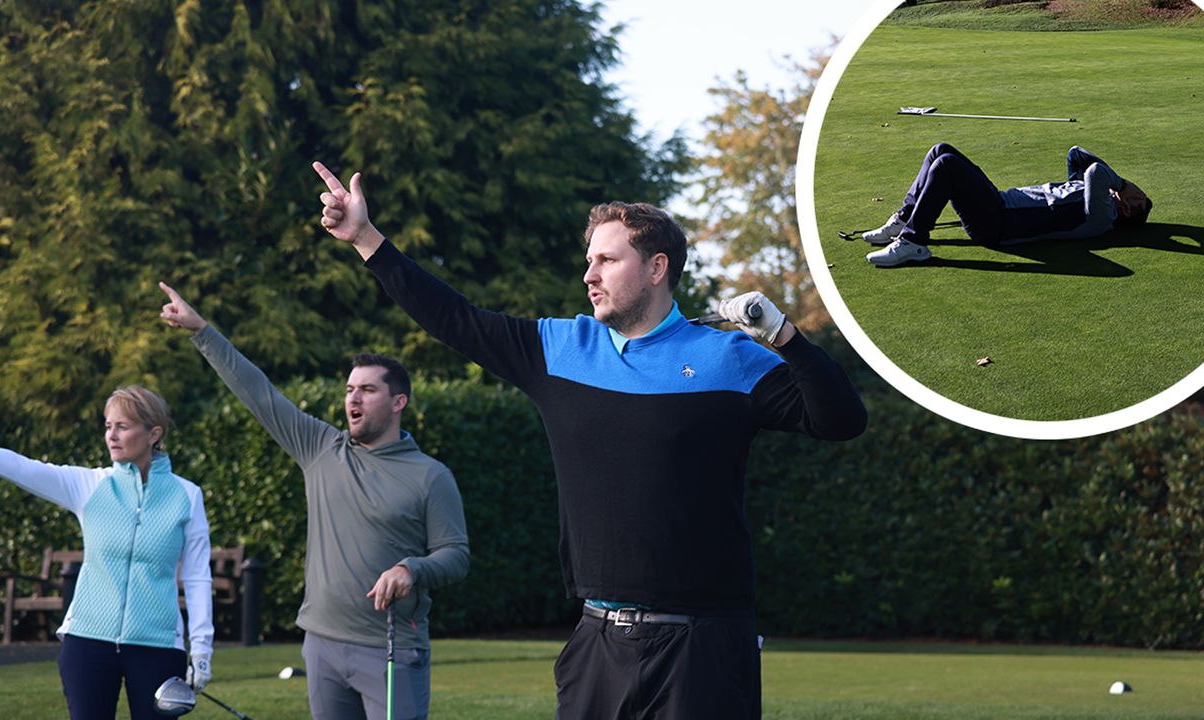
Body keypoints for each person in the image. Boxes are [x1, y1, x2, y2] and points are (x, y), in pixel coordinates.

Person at [311, 162, 868, 719]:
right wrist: (364, 237)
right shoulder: (560, 349)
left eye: (606, 260)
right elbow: (454, 317)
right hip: (597, 643)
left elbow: (840, 419)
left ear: (656, 267)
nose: (589, 274)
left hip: (706, 648)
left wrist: (784, 337)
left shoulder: (729, 358)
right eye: (589, 261)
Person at [158, 283, 469, 720]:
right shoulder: (320, 447)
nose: (352, 398)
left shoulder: (431, 476)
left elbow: (456, 556)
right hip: (321, 643)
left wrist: (410, 569)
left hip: (392, 649)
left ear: (398, 402)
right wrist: (201, 331)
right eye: (349, 389)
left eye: (367, 390)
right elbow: (259, 393)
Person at [0, 387, 213, 720]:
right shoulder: (90, 485)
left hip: (158, 647)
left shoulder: (187, 496)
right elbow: (21, 468)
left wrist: (202, 649)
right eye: (108, 426)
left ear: (154, 434)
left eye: (123, 426)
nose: (112, 436)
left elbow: (196, 577)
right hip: (88, 643)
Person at [863, 143, 1153, 267]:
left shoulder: (1102, 217)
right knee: (940, 150)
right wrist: (1123, 187)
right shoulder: (1091, 190)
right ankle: (905, 219)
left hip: (998, 225)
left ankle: (914, 243)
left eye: (1136, 199)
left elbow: (1095, 172)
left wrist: (1124, 186)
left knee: (946, 166)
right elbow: (1077, 155)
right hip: (997, 202)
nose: (1131, 191)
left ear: (1127, 210)